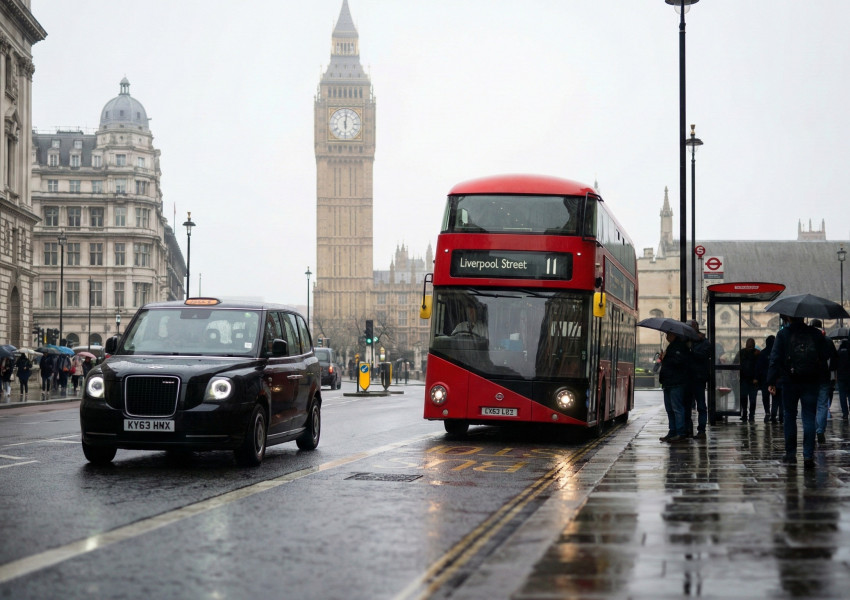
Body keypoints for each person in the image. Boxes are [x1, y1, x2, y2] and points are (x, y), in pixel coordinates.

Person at [767, 314, 832, 468]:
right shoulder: (816, 334)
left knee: (790, 416)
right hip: (811, 381)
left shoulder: (783, 334)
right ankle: (808, 455)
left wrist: (771, 381)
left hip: (789, 381)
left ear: (789, 318)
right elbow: (826, 355)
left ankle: (791, 454)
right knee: (809, 417)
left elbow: (775, 358)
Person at [658, 330, 691, 443]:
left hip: (676, 382)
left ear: (674, 335)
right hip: (668, 382)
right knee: (669, 409)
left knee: (677, 408)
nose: (667, 336)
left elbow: (678, 362)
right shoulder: (671, 346)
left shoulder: (680, 347)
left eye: (669, 334)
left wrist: (666, 357)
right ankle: (672, 431)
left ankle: (680, 432)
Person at [810, 319, 837, 444]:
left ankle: (814, 428)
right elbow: (834, 359)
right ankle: (820, 430)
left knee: (811, 405)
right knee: (822, 405)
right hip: (824, 375)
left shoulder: (808, 340)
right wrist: (833, 375)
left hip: (810, 377)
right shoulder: (827, 341)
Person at [686, 320, 710, 439]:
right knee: (687, 405)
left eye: (690, 327)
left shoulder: (704, 342)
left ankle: (701, 430)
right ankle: (688, 429)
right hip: (688, 378)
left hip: (699, 378)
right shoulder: (686, 341)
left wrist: (691, 351)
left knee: (701, 405)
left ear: (696, 327)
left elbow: (704, 356)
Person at [755, 335, 781, 423]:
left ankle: (767, 412)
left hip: (765, 379)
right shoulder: (777, 352)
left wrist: (757, 378)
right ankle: (774, 414)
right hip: (775, 378)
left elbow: (758, 367)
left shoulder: (763, 353)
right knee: (775, 397)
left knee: (765, 396)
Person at [736, 338, 760, 422]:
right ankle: (749, 414)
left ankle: (748, 414)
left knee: (748, 398)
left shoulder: (742, 352)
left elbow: (759, 367)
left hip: (748, 379)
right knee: (747, 398)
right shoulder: (756, 353)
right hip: (747, 379)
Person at [836, 339, 850, 421]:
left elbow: (834, 364)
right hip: (849, 376)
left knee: (842, 395)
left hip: (841, 376)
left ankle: (845, 413)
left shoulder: (838, 353)